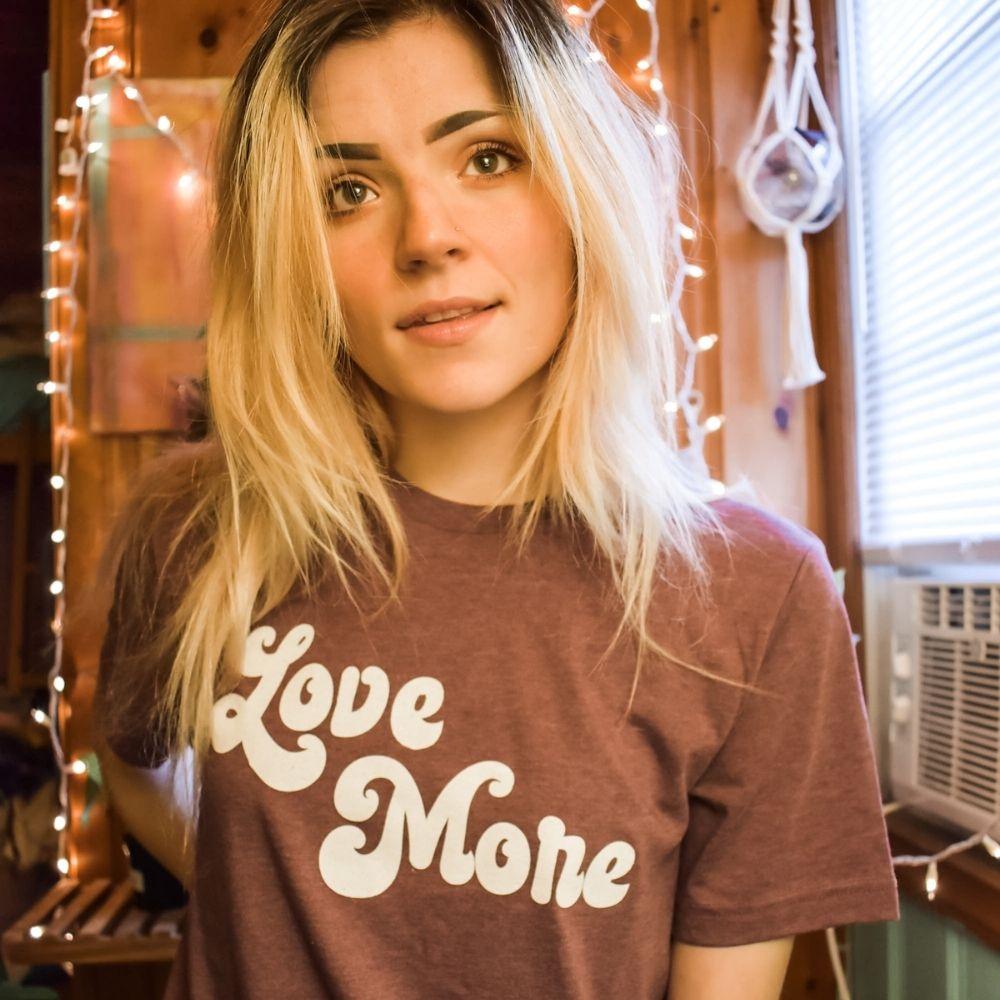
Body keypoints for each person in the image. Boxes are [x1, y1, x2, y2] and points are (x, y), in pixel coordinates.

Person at [90, 2, 900, 997]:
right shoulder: (197, 526)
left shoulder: (756, 593)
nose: (427, 237)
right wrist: (258, 880)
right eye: (347, 190)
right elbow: (134, 763)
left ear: (580, 189)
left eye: (485, 159)